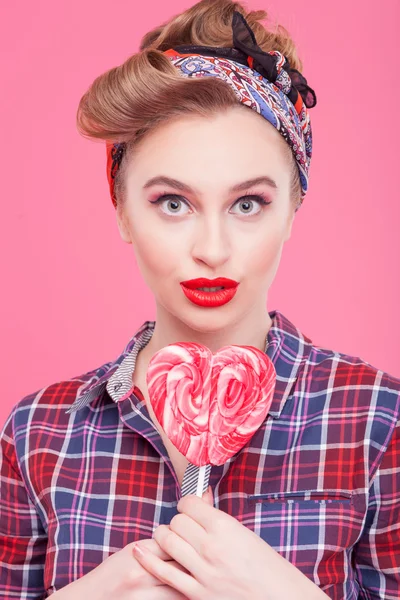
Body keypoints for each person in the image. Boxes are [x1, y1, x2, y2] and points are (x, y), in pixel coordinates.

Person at [1, 1, 399, 598]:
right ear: (121, 211)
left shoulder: (376, 420)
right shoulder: (37, 433)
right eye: (172, 202)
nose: (211, 249)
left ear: (292, 209)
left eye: (248, 204)